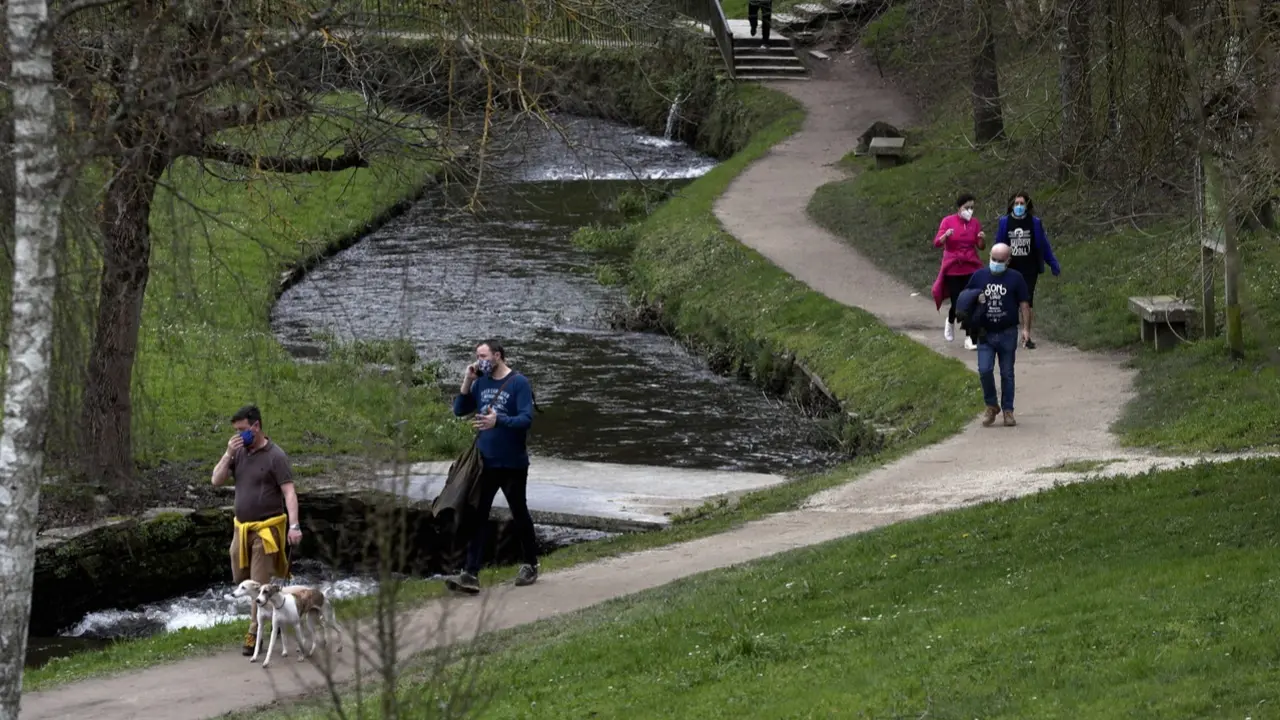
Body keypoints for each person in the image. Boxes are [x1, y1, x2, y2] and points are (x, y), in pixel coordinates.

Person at [445, 340, 539, 594]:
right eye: (477, 356)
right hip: (485, 463)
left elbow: (526, 419)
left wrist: (499, 420)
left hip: (512, 463)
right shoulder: (481, 382)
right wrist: (467, 380)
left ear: (498, 356)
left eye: (483, 356)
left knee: (519, 512)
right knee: (477, 515)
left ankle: (530, 563)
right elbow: (459, 410)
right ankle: (470, 573)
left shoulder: (519, 383)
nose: (479, 360)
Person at [211, 404, 302, 656]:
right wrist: (228, 453)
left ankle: (254, 632)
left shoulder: (276, 456)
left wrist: (294, 526)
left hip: (267, 530)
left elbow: (289, 493)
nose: (239, 436)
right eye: (236, 431)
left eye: (242, 430)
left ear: (256, 426)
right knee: (241, 578)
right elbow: (216, 480)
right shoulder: (237, 453)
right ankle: (277, 610)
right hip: (241, 529)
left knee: (258, 581)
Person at [965, 243, 1031, 427]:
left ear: (1008, 261)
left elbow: (1024, 304)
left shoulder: (1016, 278)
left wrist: (1026, 329)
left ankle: (1008, 410)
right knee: (984, 370)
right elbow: (966, 299)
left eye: (1000, 260)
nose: (996, 263)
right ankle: (991, 405)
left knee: (1007, 373)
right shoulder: (979, 276)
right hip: (985, 333)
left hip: (1007, 332)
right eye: (993, 259)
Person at [994, 191, 1061, 349]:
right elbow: (999, 244)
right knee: (1009, 301)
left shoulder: (1035, 223)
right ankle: (1008, 333)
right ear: (1011, 206)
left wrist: (1052, 262)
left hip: (1029, 268)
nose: (1019, 207)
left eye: (1021, 204)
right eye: (1016, 204)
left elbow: (1043, 245)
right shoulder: (1005, 222)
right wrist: (996, 264)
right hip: (1010, 268)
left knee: (1026, 301)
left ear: (1027, 205)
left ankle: (1026, 334)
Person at [931, 193, 986, 351]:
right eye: (966, 207)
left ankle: (970, 337)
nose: (969, 211)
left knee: (973, 301)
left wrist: (982, 239)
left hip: (971, 267)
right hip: (954, 268)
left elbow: (980, 246)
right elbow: (937, 243)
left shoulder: (974, 223)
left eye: (972, 208)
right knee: (958, 303)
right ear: (959, 208)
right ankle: (950, 319)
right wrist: (945, 236)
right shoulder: (948, 221)